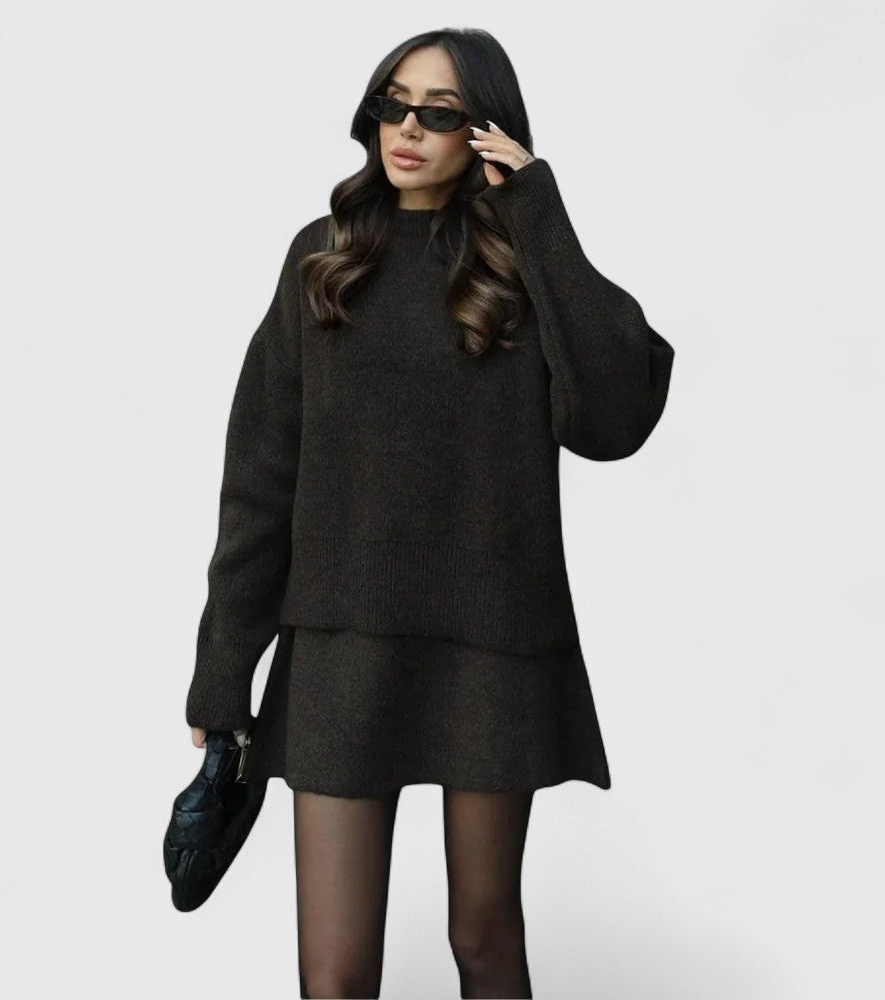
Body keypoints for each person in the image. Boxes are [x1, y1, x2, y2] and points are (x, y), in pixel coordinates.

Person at [184, 27, 675, 1000]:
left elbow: (616, 418)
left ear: (485, 131)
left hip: (490, 645)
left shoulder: (521, 259)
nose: (407, 129)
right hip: (340, 643)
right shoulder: (322, 257)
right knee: (333, 975)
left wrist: (536, 209)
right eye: (392, 104)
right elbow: (260, 477)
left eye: (438, 113)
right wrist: (223, 671)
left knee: (484, 940)